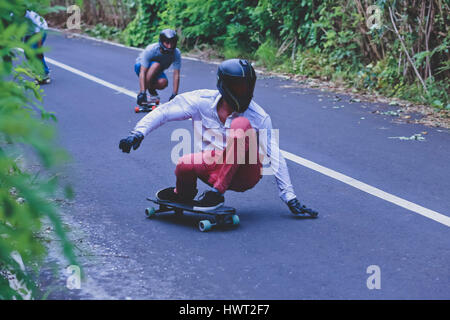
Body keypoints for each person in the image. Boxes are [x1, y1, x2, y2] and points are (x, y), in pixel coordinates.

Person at [120, 58, 318, 217]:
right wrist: (138, 132)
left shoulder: (258, 116)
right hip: (214, 167)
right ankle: (182, 195)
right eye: (239, 87)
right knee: (183, 164)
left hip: (245, 174)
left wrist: (290, 197)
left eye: (248, 87)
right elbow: (165, 111)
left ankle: (216, 194)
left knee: (241, 124)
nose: (245, 93)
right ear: (224, 85)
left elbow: (274, 155)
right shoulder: (201, 101)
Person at [135, 29, 181, 106]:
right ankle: (143, 94)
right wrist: (142, 92)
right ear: (162, 42)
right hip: (141, 67)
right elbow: (142, 72)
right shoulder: (151, 49)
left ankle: (152, 93)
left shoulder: (176, 53)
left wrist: (174, 95)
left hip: (157, 71)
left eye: (172, 43)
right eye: (167, 43)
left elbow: (176, 74)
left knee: (163, 82)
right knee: (156, 65)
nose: (170, 46)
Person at [24, 10, 50, 84]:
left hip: (41, 30)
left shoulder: (31, 16)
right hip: (29, 32)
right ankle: (39, 71)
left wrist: (39, 48)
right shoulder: (13, 14)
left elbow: (38, 33)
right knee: (27, 54)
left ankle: (44, 74)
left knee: (35, 52)